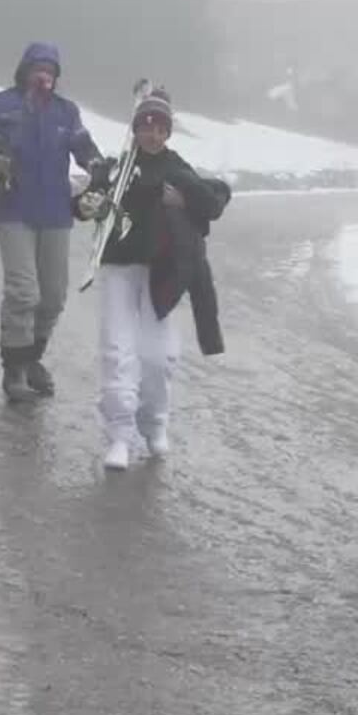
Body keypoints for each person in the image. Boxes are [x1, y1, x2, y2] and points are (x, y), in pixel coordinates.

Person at [73, 89, 231, 472]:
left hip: (160, 273)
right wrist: (87, 205)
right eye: (146, 127)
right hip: (118, 268)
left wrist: (185, 202)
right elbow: (84, 204)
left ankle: (155, 423)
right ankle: (120, 435)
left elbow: (212, 202)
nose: (153, 135)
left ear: (168, 132)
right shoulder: (117, 168)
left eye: (160, 129)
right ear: (136, 129)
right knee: (117, 350)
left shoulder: (175, 167)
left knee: (157, 357)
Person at [0, 42, 105, 403]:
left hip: (56, 211)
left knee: (53, 296)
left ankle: (32, 359)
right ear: (24, 71)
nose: (44, 76)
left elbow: (84, 147)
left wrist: (98, 166)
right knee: (24, 291)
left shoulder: (66, 112)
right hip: (13, 209)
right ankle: (14, 372)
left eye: (50, 71)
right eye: (38, 69)